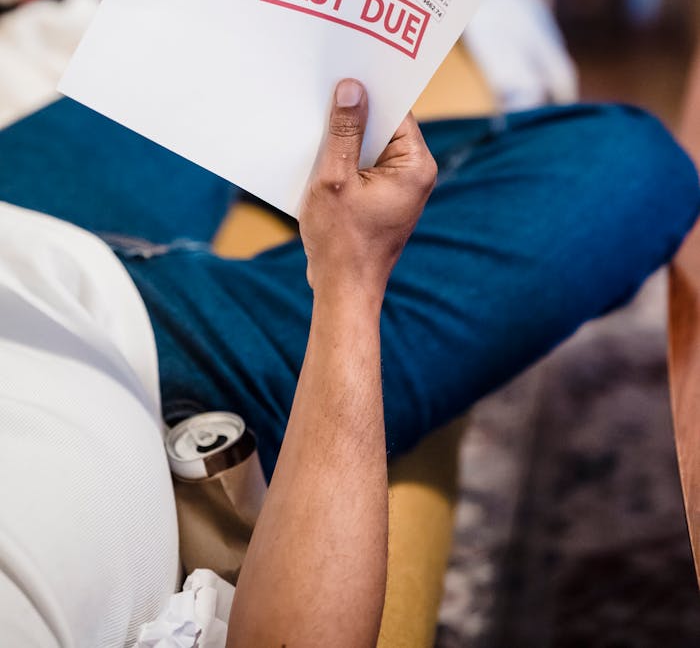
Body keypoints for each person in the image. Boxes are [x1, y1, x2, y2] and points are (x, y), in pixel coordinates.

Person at [0, 79, 698, 647]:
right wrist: (350, 282)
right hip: (164, 359)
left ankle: (307, 165)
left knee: (231, 44)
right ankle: (335, 179)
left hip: (20, 221)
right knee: (632, 164)